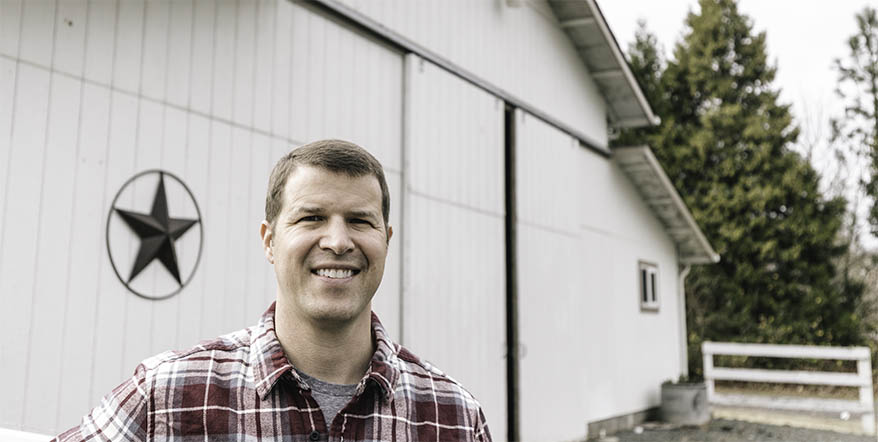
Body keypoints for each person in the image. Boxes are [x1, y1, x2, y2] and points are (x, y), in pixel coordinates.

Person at [54, 139, 491, 442]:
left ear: (386, 240)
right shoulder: (167, 398)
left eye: (360, 220)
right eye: (311, 218)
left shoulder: (453, 417)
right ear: (269, 240)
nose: (338, 242)